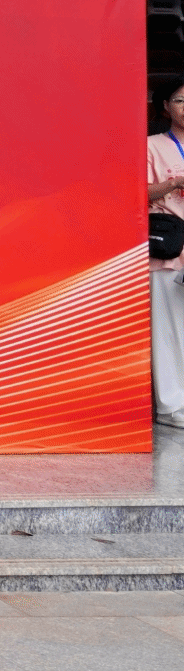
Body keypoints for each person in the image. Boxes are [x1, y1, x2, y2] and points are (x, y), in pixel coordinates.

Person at [148, 77, 184, 431]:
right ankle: (171, 407)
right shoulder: (152, 146)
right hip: (170, 244)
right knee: (168, 329)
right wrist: (174, 183)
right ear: (165, 107)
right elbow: (134, 192)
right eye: (180, 100)